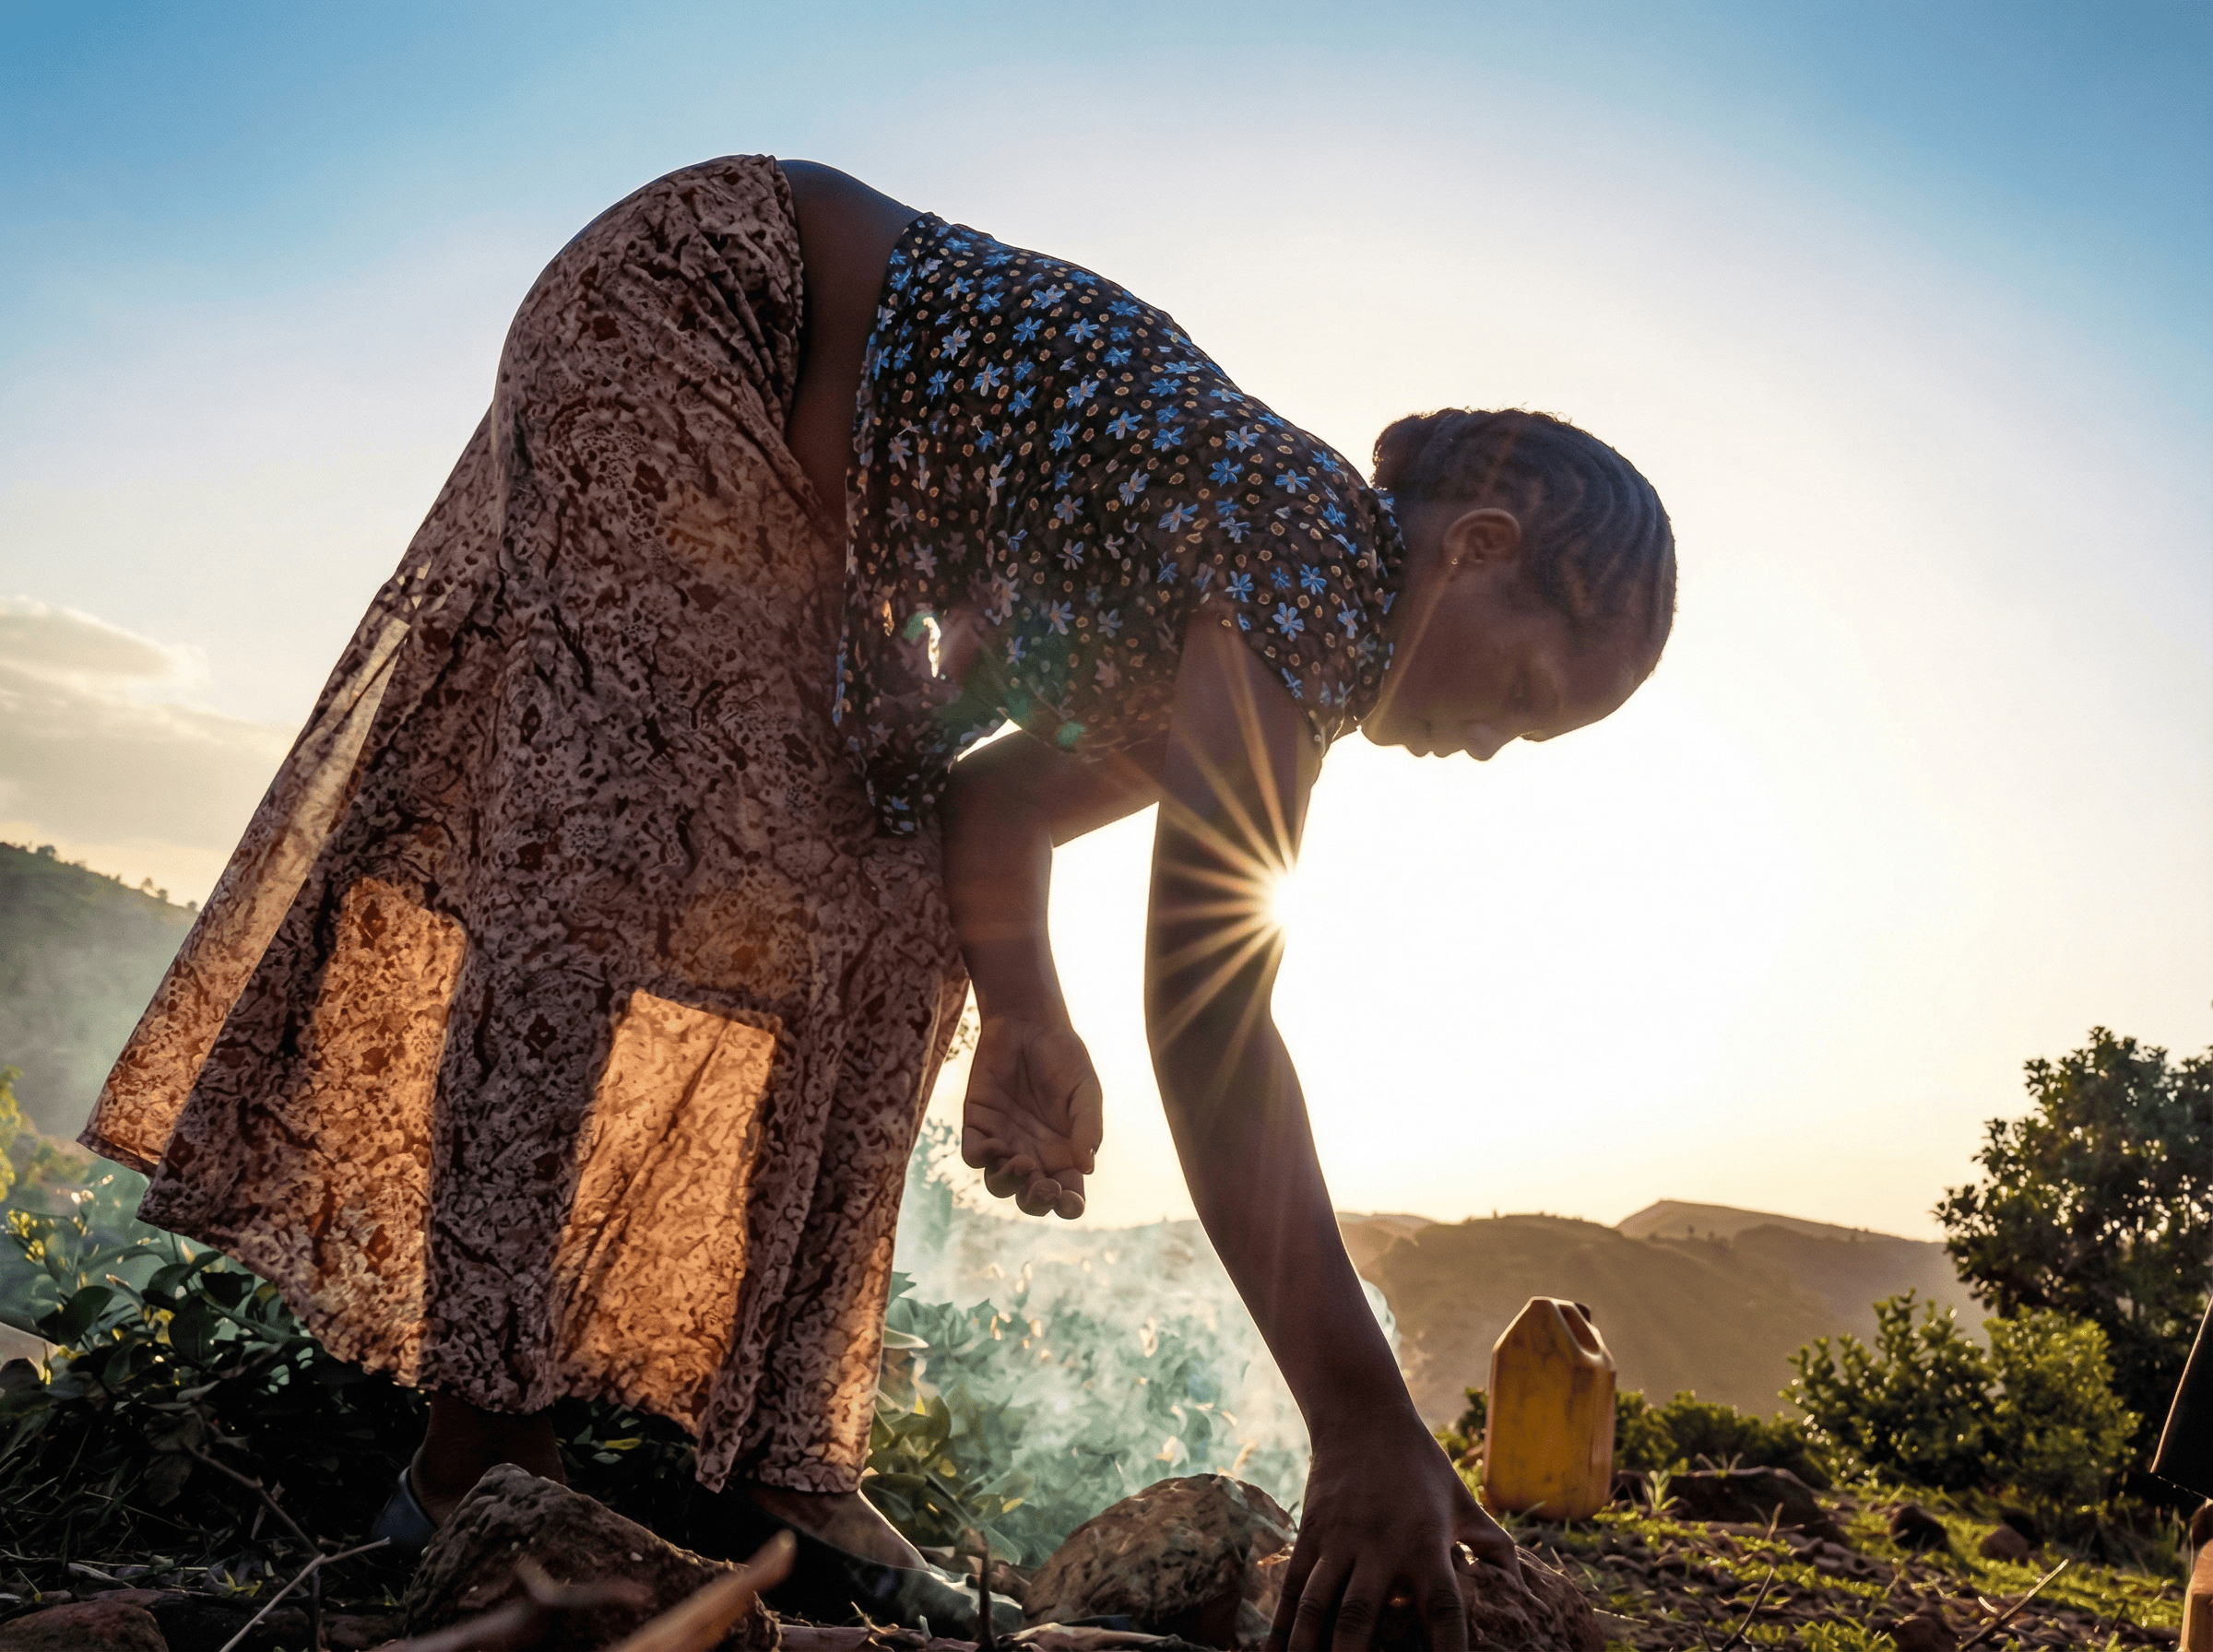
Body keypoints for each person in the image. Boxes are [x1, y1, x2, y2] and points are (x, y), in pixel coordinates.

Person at [81, 155, 1673, 1648]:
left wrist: (1028, 1021)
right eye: (1529, 694)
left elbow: (988, 809)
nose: (1493, 747)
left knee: (873, 868)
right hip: (705, 307)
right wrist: (1365, 1424)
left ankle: (783, 1455)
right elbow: (1215, 1012)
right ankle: (472, 1456)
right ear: (1475, 547)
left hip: (807, 485)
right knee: (605, 839)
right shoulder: (1308, 566)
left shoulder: (1241, 631)